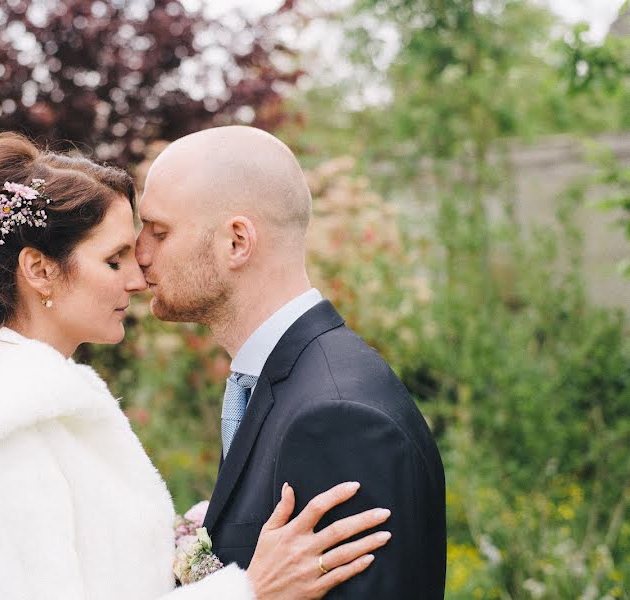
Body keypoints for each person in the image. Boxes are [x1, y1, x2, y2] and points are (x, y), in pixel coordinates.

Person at [0, 132, 393, 599]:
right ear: (39, 270)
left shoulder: (50, 410)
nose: (139, 279)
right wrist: (250, 592)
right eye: (114, 259)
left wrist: (206, 534)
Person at [135, 126, 447, 598]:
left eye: (159, 232)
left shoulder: (336, 419)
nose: (140, 254)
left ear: (237, 242)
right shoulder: (280, 382)